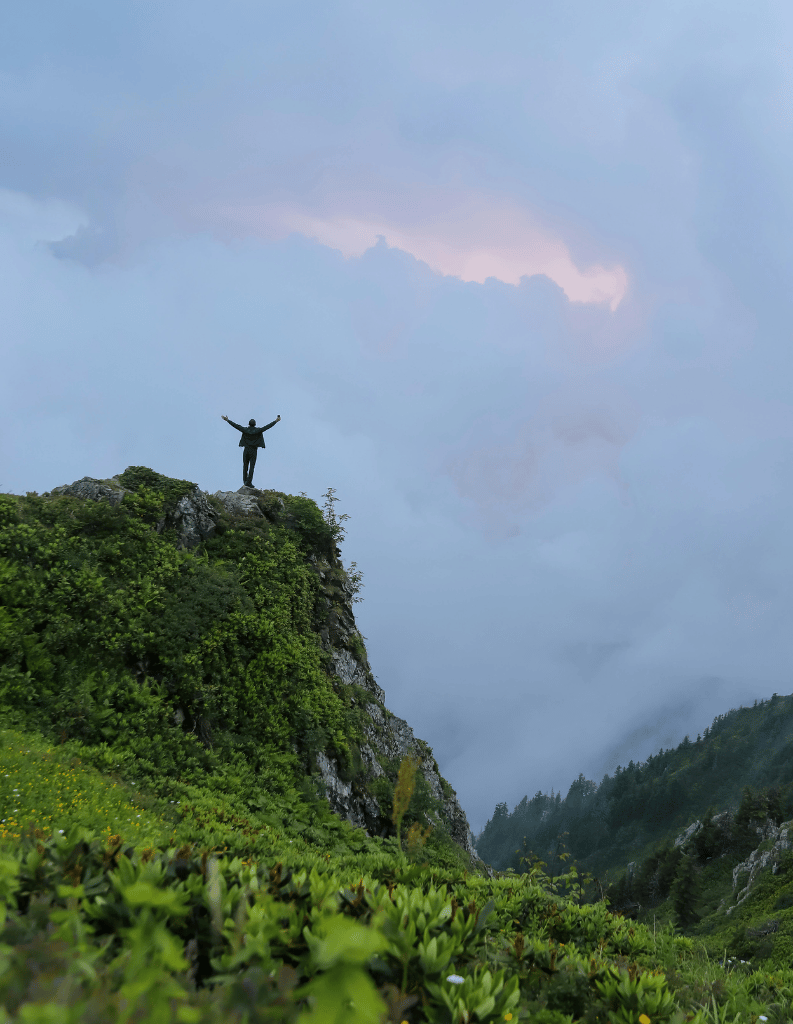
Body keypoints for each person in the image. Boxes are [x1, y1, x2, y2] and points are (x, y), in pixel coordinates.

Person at [222, 413, 281, 487]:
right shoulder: (258, 430)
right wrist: (276, 421)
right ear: (255, 424)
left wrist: (227, 420)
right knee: (252, 466)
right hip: (253, 450)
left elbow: (236, 426)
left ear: (249, 424)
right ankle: (249, 482)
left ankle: (245, 481)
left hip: (246, 450)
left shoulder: (245, 430)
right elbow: (267, 427)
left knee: (245, 466)